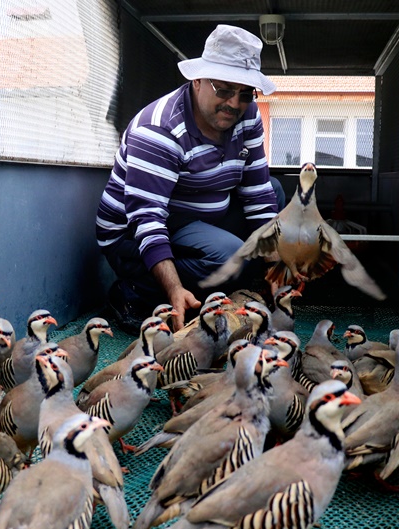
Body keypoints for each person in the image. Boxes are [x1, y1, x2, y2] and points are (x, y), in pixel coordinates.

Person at [96, 24, 284, 332]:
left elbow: (258, 192)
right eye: (223, 89)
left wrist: (276, 268)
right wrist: (173, 291)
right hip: (133, 235)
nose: (234, 104)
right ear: (197, 79)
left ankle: (227, 284)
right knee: (229, 258)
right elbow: (147, 220)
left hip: (197, 215)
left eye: (245, 93)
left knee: (274, 192)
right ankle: (137, 292)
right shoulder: (159, 130)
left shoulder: (246, 115)